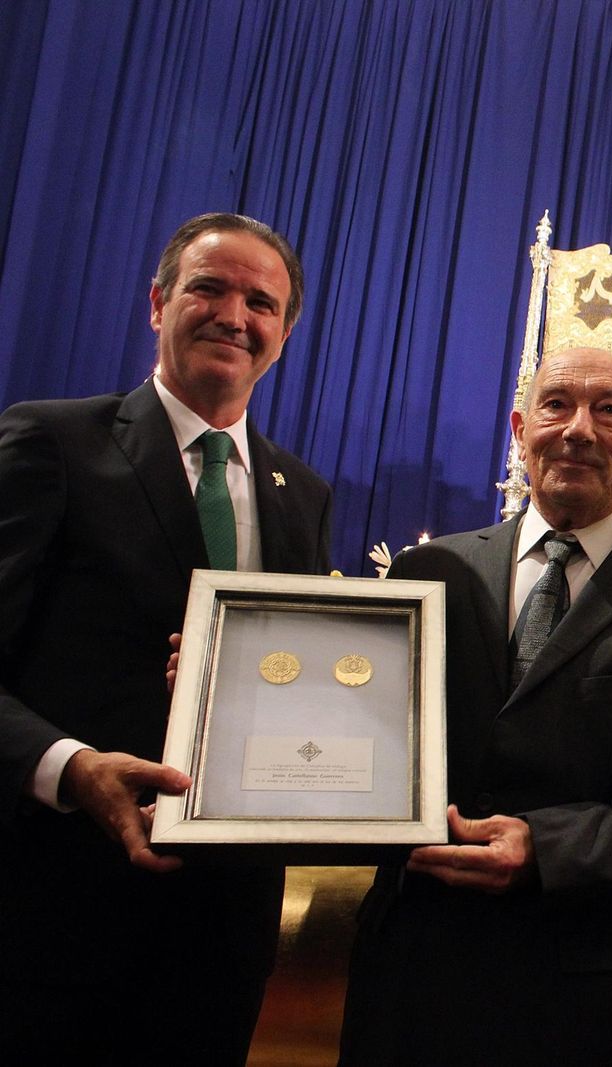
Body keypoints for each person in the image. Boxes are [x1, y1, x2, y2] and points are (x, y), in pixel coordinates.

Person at [338, 346, 612, 1065]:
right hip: (415, 980)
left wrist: (547, 847)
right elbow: (360, 743)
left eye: (609, 410)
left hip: (589, 995)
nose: (580, 429)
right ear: (520, 427)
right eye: (558, 404)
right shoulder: (425, 572)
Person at [0, 212, 333, 1064]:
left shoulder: (302, 493)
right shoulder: (53, 442)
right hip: (54, 907)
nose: (235, 315)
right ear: (158, 303)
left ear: (285, 334)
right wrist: (70, 767)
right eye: (210, 288)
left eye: (262, 302)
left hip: (222, 931)